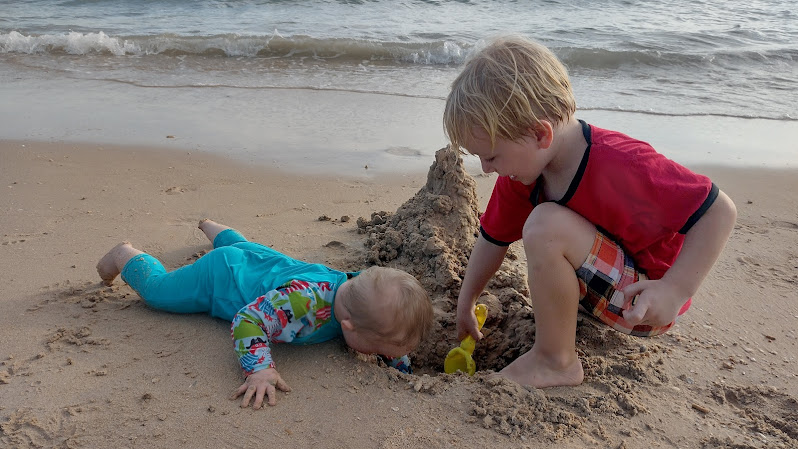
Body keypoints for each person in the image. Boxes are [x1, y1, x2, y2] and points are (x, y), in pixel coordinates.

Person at [443, 35, 737, 388]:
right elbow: (492, 240)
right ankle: (557, 344)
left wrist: (675, 289)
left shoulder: (624, 162)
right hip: (596, 294)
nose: (486, 169)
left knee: (545, 226)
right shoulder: (522, 176)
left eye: (491, 156)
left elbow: (719, 210)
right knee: (544, 227)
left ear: (540, 134)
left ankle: (556, 362)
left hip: (643, 303)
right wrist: (467, 299)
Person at [97, 219, 433, 408]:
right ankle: (125, 254)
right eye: (377, 351)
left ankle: (212, 227)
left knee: (242, 247)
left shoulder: (356, 286)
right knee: (160, 292)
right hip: (222, 278)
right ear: (348, 327)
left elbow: (384, 321)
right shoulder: (303, 305)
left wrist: (398, 359)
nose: (378, 355)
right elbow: (249, 319)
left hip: (259, 259)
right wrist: (259, 369)